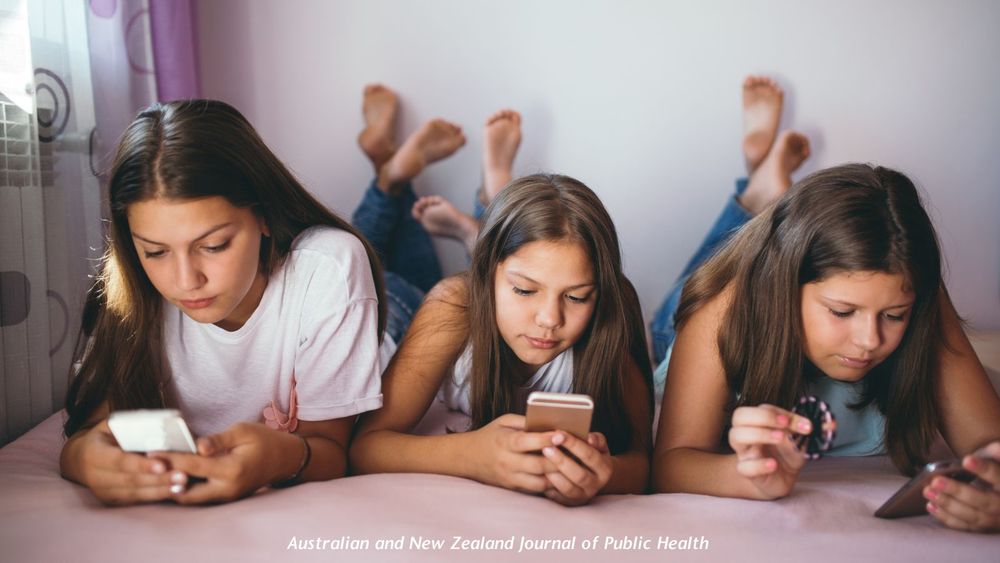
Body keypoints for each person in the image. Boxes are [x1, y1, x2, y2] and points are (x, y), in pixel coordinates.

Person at [651, 78, 1000, 534]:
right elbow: (670, 464)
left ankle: (765, 190)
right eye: (842, 312)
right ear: (784, 289)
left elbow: (988, 444)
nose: (870, 341)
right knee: (684, 298)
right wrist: (746, 478)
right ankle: (757, 194)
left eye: (894, 316)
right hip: (696, 319)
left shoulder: (919, 297)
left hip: (782, 258)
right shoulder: (722, 310)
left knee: (772, 240)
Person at [59, 99, 390, 505]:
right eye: (156, 252)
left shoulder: (330, 267)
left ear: (265, 215)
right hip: (329, 291)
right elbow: (85, 436)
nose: (186, 282)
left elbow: (330, 449)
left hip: (376, 318)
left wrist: (280, 457)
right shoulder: (131, 290)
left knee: (396, 263)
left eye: (214, 245)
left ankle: (390, 182)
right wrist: (85, 460)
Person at [349, 171, 654, 506]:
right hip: (402, 314)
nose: (550, 320)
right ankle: (394, 180)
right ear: (486, 276)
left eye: (577, 297)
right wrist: (473, 456)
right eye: (525, 290)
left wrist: (603, 472)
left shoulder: (614, 312)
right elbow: (365, 446)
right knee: (370, 263)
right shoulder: (454, 304)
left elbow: (641, 461)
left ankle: (476, 225)